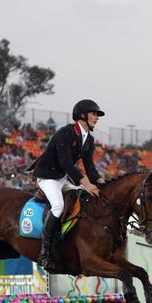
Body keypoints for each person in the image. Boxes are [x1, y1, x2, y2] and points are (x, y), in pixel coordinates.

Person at [30, 99, 106, 271]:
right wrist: (86, 183)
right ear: (83, 115)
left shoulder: (89, 139)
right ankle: (45, 253)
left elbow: (90, 168)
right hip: (47, 176)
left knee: (84, 198)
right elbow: (66, 163)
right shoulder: (65, 133)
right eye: (94, 114)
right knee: (58, 206)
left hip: (63, 178)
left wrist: (101, 183)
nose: (97, 118)